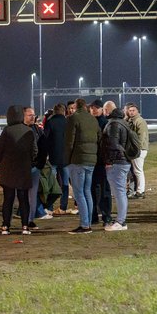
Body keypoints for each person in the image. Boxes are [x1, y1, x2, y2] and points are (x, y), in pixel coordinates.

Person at [0, 105, 38, 235]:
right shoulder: (28, 131)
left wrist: (1, 164)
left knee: (8, 199)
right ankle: (25, 226)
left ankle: (6, 226)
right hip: (23, 170)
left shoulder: (6, 131)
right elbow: (34, 151)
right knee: (23, 199)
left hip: (8, 170)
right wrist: (29, 163)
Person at [65, 97, 100, 234]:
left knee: (79, 193)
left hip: (78, 160)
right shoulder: (93, 119)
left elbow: (69, 142)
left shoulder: (73, 118)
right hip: (91, 160)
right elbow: (99, 137)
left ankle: (85, 225)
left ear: (76, 106)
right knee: (87, 191)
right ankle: (88, 222)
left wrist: (67, 159)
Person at [100, 104, 137, 231]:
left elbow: (113, 144)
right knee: (120, 192)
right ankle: (121, 220)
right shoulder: (123, 123)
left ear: (109, 111)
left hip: (117, 162)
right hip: (122, 161)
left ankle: (121, 221)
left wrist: (109, 160)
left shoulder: (113, 124)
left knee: (119, 192)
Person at [43, 103, 71, 214]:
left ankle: (49, 207)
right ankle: (63, 207)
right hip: (66, 159)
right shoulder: (68, 122)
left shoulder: (50, 122)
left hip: (53, 157)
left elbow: (45, 138)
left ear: (54, 111)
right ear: (64, 111)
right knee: (65, 183)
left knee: (51, 182)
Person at [89, 100, 112, 226]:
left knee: (104, 191)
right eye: (92, 108)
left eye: (96, 108)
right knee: (92, 190)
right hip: (92, 160)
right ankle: (93, 216)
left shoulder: (105, 123)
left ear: (102, 109)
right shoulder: (90, 122)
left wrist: (107, 160)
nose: (94, 110)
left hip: (102, 161)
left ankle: (106, 216)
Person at [124, 103, 149, 199]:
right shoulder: (131, 120)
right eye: (130, 110)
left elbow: (141, 137)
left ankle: (140, 191)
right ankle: (137, 190)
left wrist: (135, 148)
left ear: (137, 111)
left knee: (138, 171)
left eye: (133, 110)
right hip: (136, 149)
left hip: (139, 149)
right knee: (135, 171)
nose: (131, 112)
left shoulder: (139, 121)